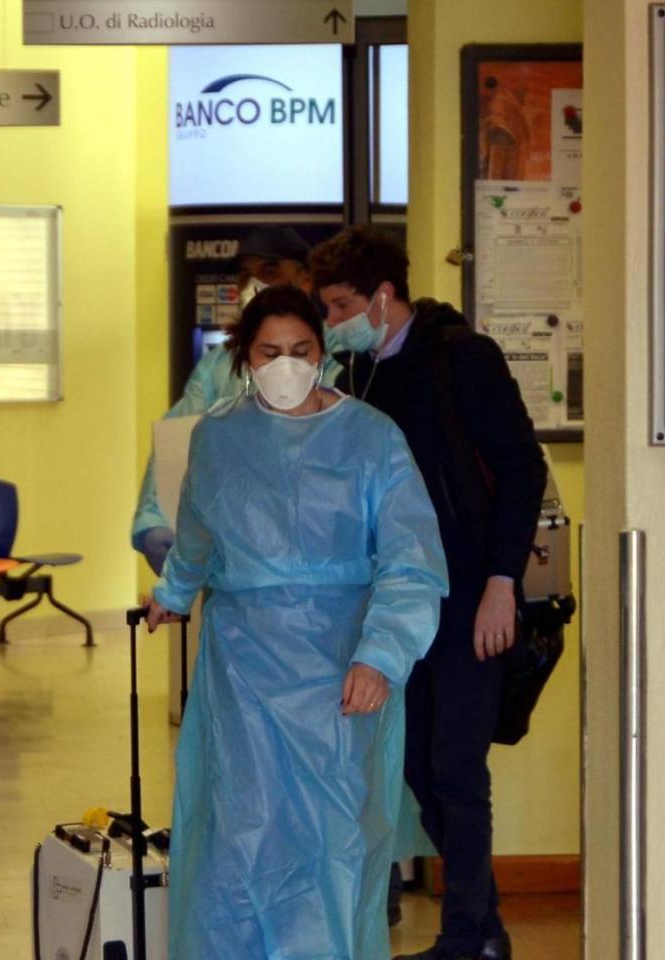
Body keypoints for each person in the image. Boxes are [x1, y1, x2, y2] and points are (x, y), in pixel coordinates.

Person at [144, 285, 448, 960]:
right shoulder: (219, 437)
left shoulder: (372, 439)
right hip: (243, 669)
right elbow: (197, 531)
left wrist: (382, 656)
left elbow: (411, 561)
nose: (287, 365)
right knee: (241, 839)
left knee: (333, 842)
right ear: (245, 359)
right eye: (270, 352)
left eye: (301, 350)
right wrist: (175, 590)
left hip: (340, 669)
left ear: (324, 350)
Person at [310, 226, 548, 960]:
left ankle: (464, 937)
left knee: (455, 767)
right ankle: (485, 929)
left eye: (343, 304)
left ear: (384, 297)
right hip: (401, 603)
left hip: (473, 595)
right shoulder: (357, 380)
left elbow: (521, 468)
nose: (333, 320)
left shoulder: (461, 360)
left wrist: (502, 584)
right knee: (415, 767)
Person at [130, 226, 396, 575]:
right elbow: (179, 441)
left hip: (324, 556)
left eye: (269, 272)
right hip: (235, 558)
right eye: (246, 275)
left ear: (305, 279)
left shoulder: (339, 357)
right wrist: (154, 519)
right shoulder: (220, 366)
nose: (254, 284)